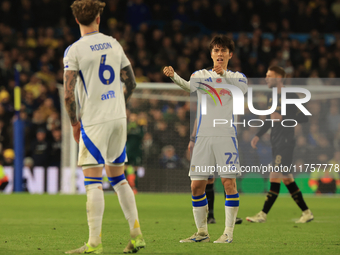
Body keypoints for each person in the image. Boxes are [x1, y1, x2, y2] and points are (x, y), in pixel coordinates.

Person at [63, 0, 145, 253]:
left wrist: (75, 123)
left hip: (94, 121)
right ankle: (137, 235)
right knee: (119, 178)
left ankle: (94, 243)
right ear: (99, 18)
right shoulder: (113, 43)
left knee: (93, 181)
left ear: (76, 20)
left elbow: (68, 95)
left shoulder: (74, 50)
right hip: (118, 118)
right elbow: (130, 83)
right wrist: (119, 105)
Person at [165, 34, 247, 243]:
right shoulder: (200, 75)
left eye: (223, 51)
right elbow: (187, 86)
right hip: (203, 138)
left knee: (229, 184)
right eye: (216, 50)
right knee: (196, 186)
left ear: (230, 54)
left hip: (226, 137)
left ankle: (227, 233)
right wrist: (174, 76)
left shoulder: (237, 77)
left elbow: (242, 91)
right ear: (211, 54)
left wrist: (224, 76)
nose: (219, 54)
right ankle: (202, 232)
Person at [246, 66, 314, 224]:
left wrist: (284, 117)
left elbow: (304, 117)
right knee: (287, 179)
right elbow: (271, 119)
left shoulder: (289, 95)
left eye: (269, 76)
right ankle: (307, 212)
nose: (266, 78)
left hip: (285, 141)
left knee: (274, 175)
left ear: (278, 77)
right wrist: (258, 135)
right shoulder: (271, 96)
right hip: (276, 141)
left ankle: (263, 214)